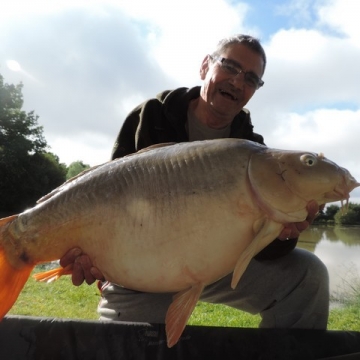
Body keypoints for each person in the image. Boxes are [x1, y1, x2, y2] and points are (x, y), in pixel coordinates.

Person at [61, 34, 329, 329]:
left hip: (218, 266)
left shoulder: (256, 152)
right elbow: (108, 198)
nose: (238, 83)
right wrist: (95, 254)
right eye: (230, 67)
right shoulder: (151, 116)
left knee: (308, 276)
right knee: (134, 345)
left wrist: (284, 233)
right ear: (205, 66)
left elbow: (263, 251)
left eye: (251, 79)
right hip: (145, 267)